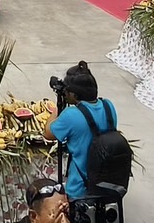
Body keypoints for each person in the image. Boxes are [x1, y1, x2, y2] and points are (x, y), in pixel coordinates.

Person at [45, 62, 119, 205]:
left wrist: (57, 108)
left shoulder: (71, 114)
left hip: (79, 190)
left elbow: (47, 133)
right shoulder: (108, 106)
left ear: (73, 94)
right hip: (108, 184)